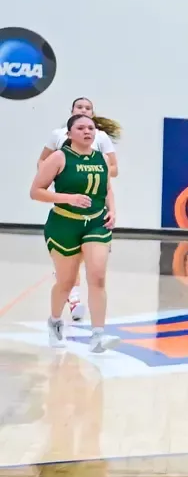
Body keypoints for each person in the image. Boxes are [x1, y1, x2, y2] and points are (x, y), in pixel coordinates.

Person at [33, 113, 118, 352]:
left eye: (91, 128)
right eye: (80, 128)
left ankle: (98, 335)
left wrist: (113, 210)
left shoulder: (101, 158)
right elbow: (36, 191)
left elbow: (107, 188)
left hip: (96, 223)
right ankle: (55, 321)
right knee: (67, 282)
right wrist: (68, 198)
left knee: (98, 276)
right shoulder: (59, 157)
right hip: (64, 223)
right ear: (69, 134)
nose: (87, 131)